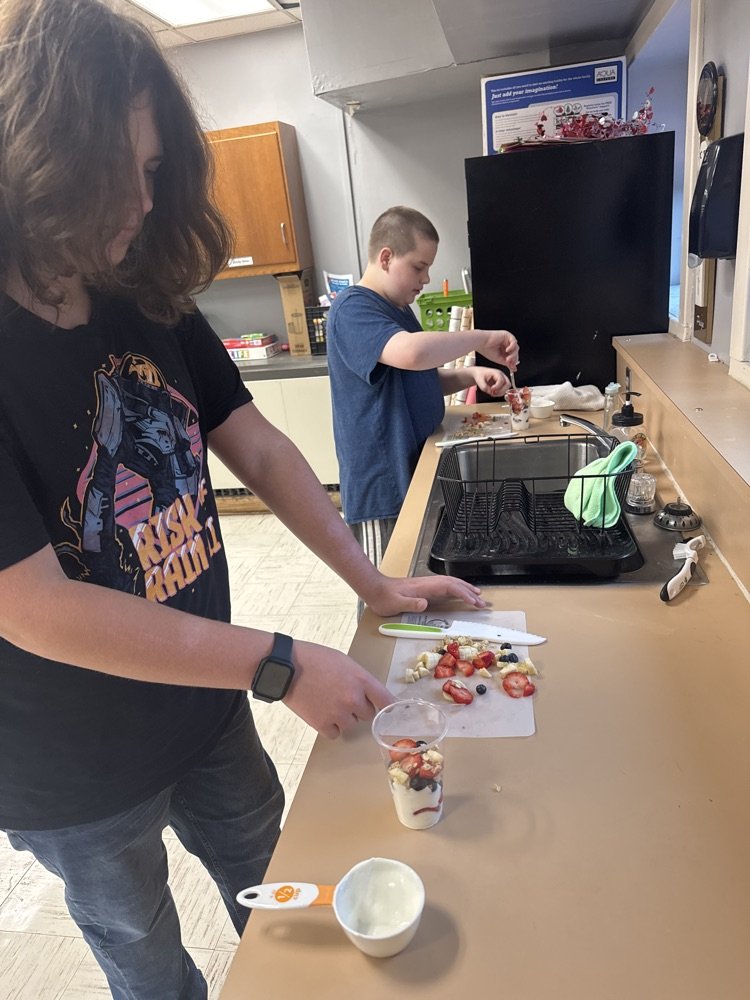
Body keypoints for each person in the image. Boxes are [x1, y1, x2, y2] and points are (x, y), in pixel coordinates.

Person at [0, 4, 487, 999]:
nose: (144, 202)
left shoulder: (137, 290)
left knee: (286, 906)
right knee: (145, 958)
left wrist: (371, 582)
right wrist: (276, 660)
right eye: (121, 171)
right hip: (70, 765)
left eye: (154, 171)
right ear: (39, 156)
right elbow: (32, 604)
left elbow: (255, 443)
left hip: (206, 704)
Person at [327, 205, 520, 567]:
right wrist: (481, 338)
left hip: (416, 472)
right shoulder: (352, 309)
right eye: (419, 267)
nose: (426, 278)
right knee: (386, 584)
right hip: (384, 489)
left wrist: (471, 375)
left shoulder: (400, 311)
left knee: (416, 575)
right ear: (386, 257)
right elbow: (413, 354)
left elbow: (419, 379)